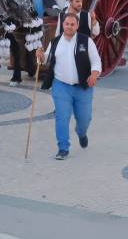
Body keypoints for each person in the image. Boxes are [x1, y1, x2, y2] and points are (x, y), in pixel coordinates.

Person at [38, 13, 101, 160]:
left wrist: (94, 74)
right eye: (67, 24)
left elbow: (97, 62)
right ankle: (63, 148)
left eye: (72, 24)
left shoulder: (86, 42)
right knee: (62, 117)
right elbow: (47, 58)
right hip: (61, 86)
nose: (69, 27)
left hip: (83, 87)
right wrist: (40, 56)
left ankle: (81, 133)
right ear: (63, 25)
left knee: (84, 119)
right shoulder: (55, 41)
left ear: (77, 26)